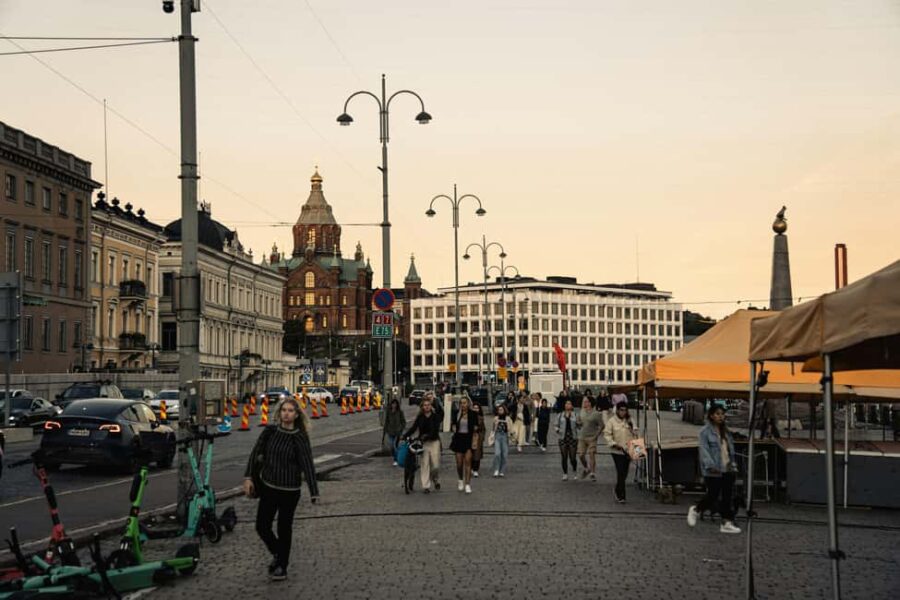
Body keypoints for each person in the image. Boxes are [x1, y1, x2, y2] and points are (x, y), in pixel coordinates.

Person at [243, 398, 319, 581]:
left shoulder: (299, 437)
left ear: (296, 414)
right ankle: (278, 553)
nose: (286, 413)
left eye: (290, 410)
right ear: (279, 412)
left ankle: (282, 566)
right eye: (284, 410)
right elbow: (255, 453)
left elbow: (307, 463)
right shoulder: (270, 432)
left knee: (284, 528)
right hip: (269, 486)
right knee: (262, 526)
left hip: (289, 490)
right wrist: (248, 477)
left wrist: (314, 491)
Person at [687, 405, 741, 534]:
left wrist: (733, 465)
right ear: (711, 415)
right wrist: (710, 466)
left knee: (728, 496)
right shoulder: (705, 432)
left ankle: (726, 522)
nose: (720, 416)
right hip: (714, 469)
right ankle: (696, 510)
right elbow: (704, 450)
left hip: (727, 467)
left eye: (722, 414)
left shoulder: (726, 432)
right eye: (717, 414)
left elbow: (730, 450)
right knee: (713, 495)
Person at [402, 397, 443, 493]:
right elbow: (413, 428)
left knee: (435, 465)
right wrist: (405, 436)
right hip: (423, 443)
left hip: (434, 441)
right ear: (422, 407)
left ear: (431, 406)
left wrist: (428, 436)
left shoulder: (435, 417)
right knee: (425, 464)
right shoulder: (420, 417)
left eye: (428, 405)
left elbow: (435, 430)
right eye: (425, 405)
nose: (427, 407)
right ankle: (426, 486)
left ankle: (435, 478)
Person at [604, 401, 637, 503]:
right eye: (621, 410)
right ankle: (621, 495)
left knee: (625, 472)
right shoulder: (612, 421)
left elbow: (636, 434)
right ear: (617, 410)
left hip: (628, 450)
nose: (623, 412)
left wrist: (633, 430)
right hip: (617, 451)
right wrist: (613, 443)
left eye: (625, 410)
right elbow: (607, 434)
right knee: (620, 472)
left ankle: (617, 489)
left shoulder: (630, 420)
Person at [450, 396, 479, 493]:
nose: (463, 405)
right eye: (461, 403)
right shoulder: (457, 413)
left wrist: (475, 428)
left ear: (468, 404)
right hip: (459, 439)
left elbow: (477, 426)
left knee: (468, 461)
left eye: (464, 403)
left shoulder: (473, 414)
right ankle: (460, 479)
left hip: (468, 439)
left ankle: (467, 484)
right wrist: (453, 427)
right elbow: (453, 424)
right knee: (459, 463)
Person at [576, 397, 604, 481]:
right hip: (582, 437)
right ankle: (586, 468)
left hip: (592, 437)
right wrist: (578, 423)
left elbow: (602, 425)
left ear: (590, 403)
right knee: (581, 455)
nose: (584, 403)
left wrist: (596, 435)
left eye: (586, 402)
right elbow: (578, 422)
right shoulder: (581, 412)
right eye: (583, 402)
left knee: (592, 453)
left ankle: (592, 473)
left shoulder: (596, 414)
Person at [555, 400, 579, 480]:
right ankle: (565, 474)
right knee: (564, 456)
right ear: (564, 405)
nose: (568, 405)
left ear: (572, 406)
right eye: (566, 403)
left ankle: (574, 470)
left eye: (569, 404)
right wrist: (558, 430)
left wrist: (578, 430)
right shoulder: (560, 415)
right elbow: (556, 425)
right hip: (563, 437)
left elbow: (579, 425)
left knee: (572, 457)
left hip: (573, 437)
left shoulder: (575, 415)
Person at [382, 399, 406, 466]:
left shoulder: (400, 412)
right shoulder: (389, 412)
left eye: (395, 404)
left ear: (397, 405)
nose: (394, 405)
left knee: (394, 445)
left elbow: (403, 422)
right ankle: (397, 456)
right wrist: (386, 430)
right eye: (393, 404)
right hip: (390, 432)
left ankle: (396, 460)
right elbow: (386, 421)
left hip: (397, 432)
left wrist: (401, 429)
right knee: (392, 446)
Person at [491, 404, 511, 477]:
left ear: (504, 410)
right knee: (497, 453)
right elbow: (493, 429)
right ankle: (496, 469)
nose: (500, 411)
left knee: (504, 455)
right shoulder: (496, 418)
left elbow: (510, 429)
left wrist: (508, 425)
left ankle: (502, 470)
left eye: (501, 410)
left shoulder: (508, 418)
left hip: (505, 436)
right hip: (497, 435)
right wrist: (496, 424)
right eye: (499, 410)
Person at [470, 401, 486, 478]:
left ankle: (475, 469)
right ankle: (470, 468)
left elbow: (483, 429)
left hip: (478, 437)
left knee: (477, 454)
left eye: (477, 408)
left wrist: (482, 437)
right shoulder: (469, 417)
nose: (475, 409)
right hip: (470, 437)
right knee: (470, 454)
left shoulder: (481, 418)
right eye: (474, 408)